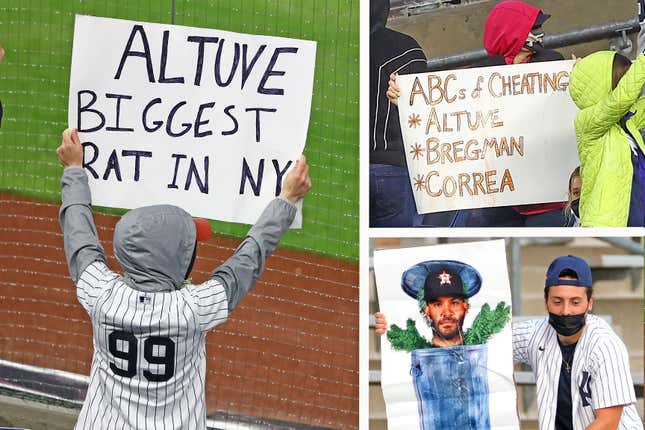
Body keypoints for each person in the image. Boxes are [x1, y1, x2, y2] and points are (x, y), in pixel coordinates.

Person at [56, 128, 311, 429]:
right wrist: (286, 200)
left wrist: (74, 171)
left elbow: (79, 237)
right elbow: (249, 257)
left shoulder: (99, 293)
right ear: (175, 259)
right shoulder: (194, 309)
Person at [376, 255, 642, 429]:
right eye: (557, 301)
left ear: (590, 303)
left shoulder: (605, 345)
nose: (566, 311)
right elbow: (471, 342)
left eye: (576, 302)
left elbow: (607, 421)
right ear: (546, 301)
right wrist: (392, 325)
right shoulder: (537, 334)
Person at [387, 0, 569, 227]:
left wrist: (580, 77)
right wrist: (405, 100)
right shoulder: (479, 74)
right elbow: (444, 112)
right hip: (497, 196)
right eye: (533, 29)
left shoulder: (554, 65)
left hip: (548, 199)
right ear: (512, 33)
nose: (539, 34)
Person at [569, 51, 645, 227]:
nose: (633, 91)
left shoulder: (627, 120)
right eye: (622, 81)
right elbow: (618, 102)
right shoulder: (586, 122)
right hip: (609, 226)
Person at [369, 0, 428, 227]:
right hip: (393, 168)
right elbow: (424, 112)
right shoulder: (406, 47)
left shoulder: (340, 48)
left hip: (353, 168)